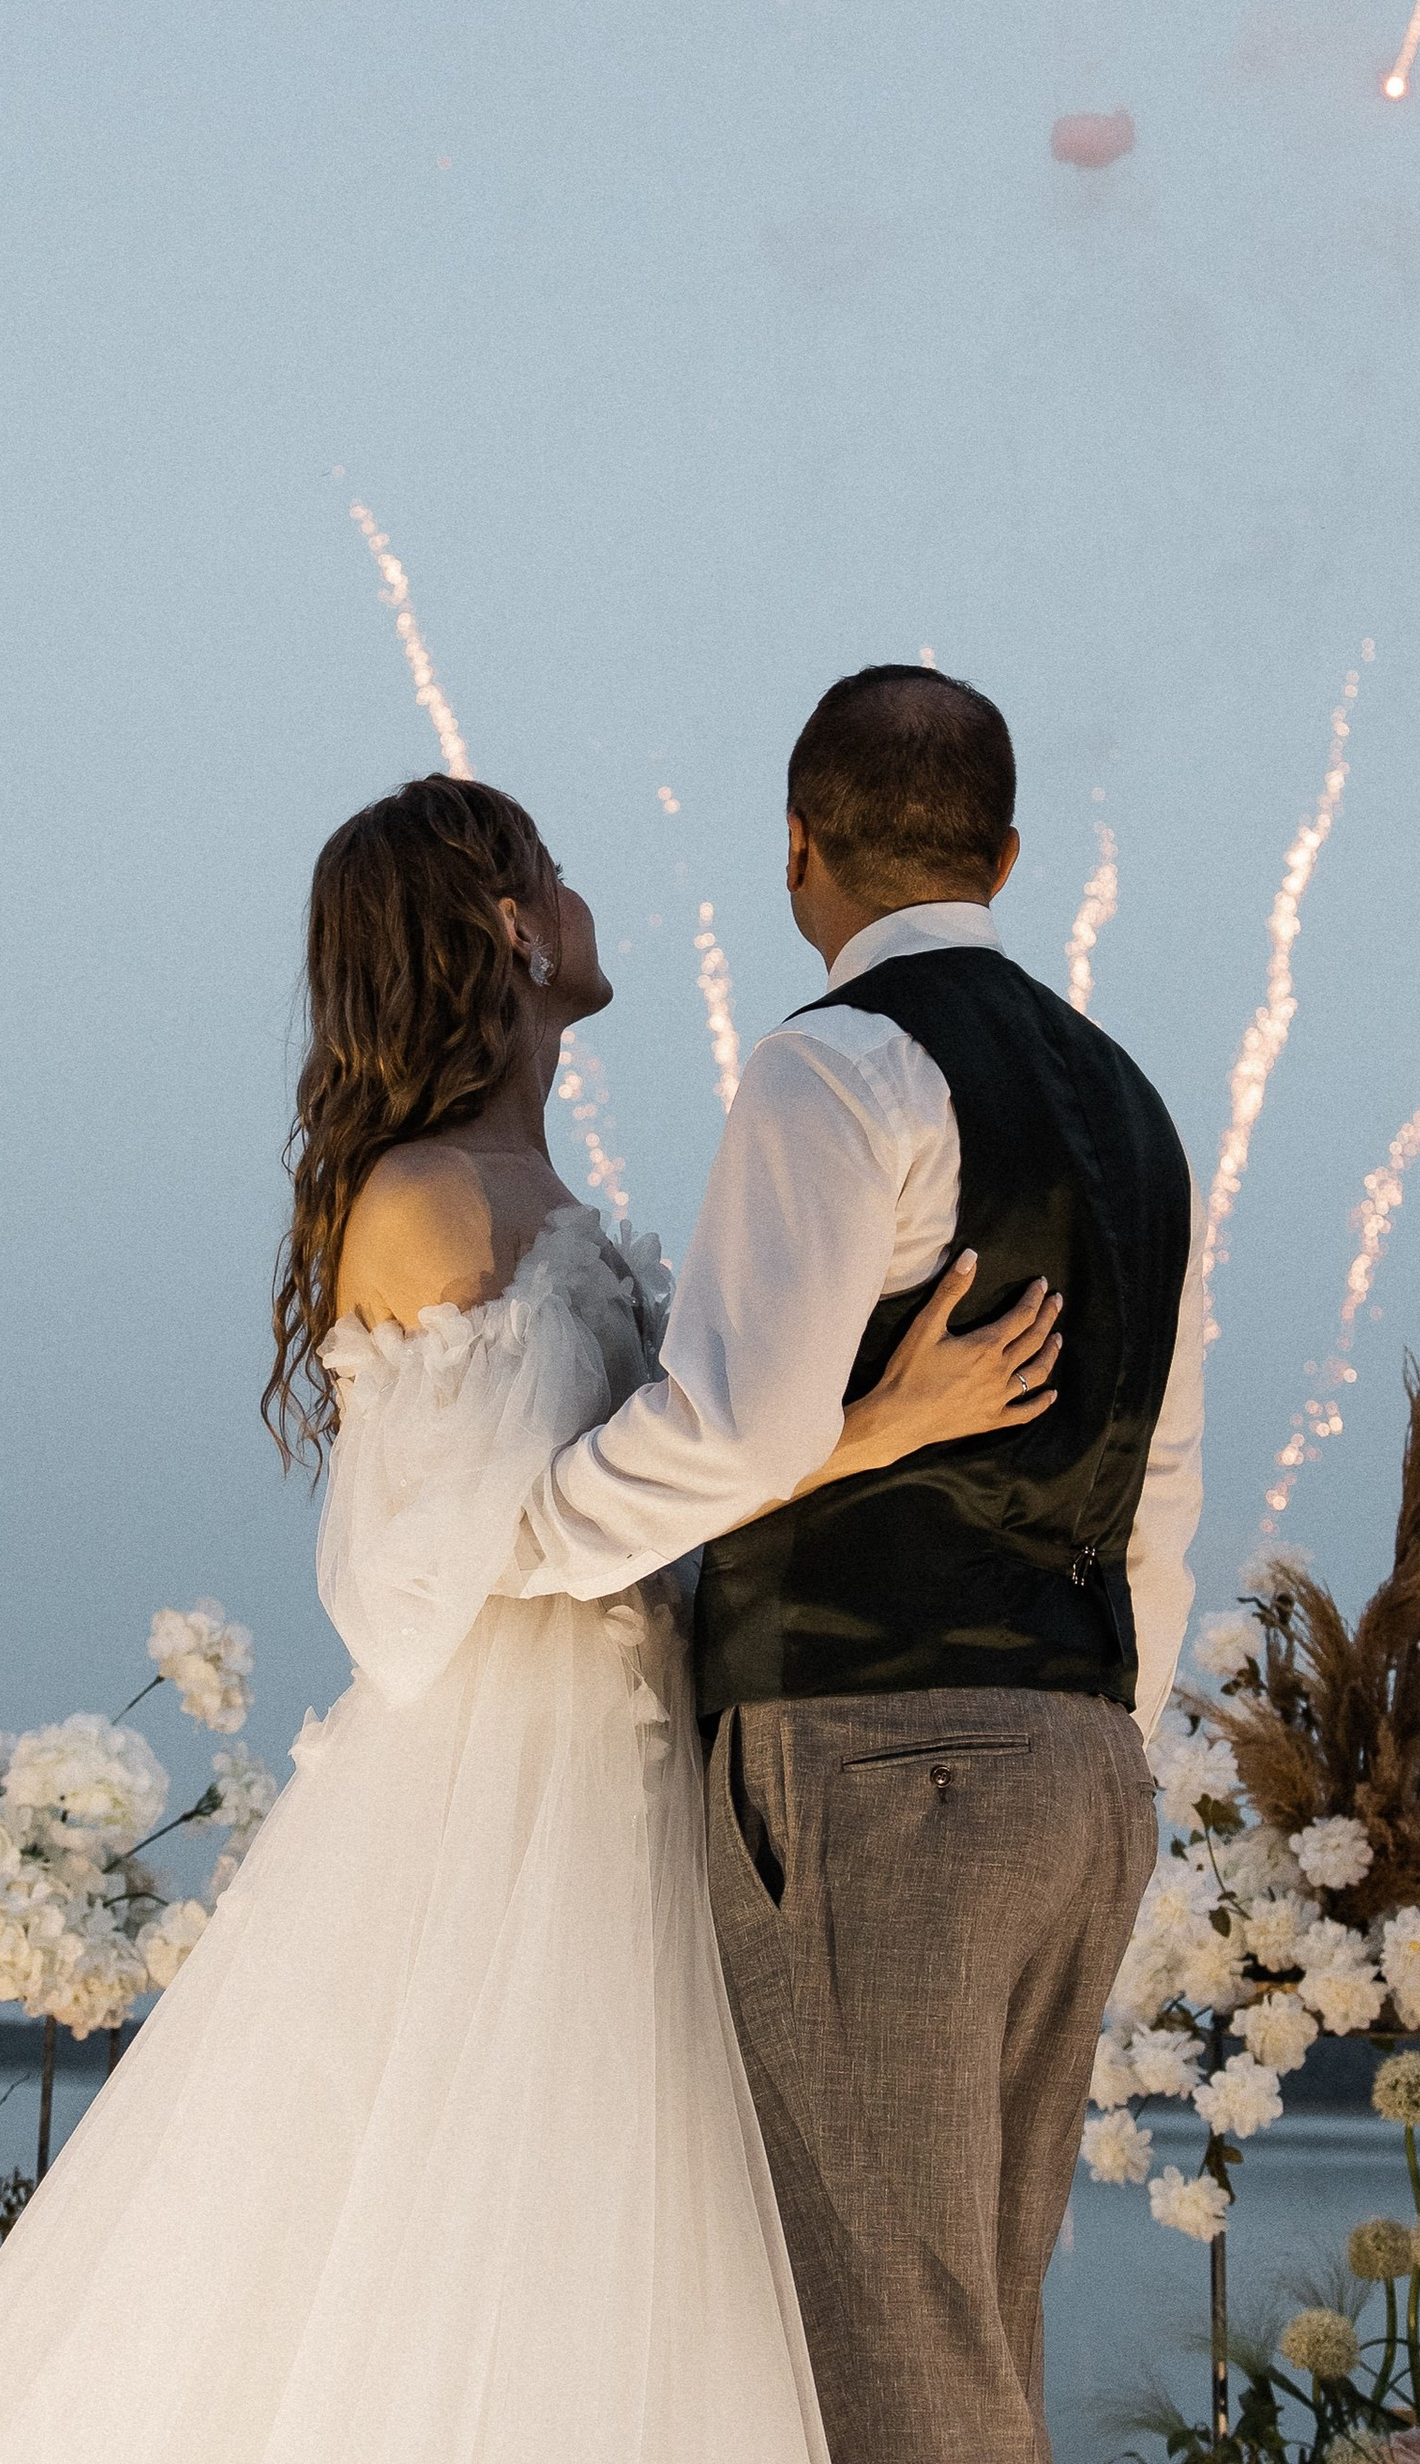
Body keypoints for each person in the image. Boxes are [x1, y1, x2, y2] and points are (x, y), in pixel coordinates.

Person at [0, 771, 1059, 2463]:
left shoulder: (532, 1185)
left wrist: (862, 1422)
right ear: (511, 928)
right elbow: (443, 1564)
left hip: (646, 1748)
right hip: (518, 1784)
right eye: (554, 876)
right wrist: (873, 1428)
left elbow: (656, 1488)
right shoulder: (430, 1199)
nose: (584, 903)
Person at [515, 665, 1203, 2464]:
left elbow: (738, 1430)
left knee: (888, 2353)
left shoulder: (838, 1066)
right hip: (1080, 1758)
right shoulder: (1138, 1111)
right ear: (1008, 851)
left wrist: (523, 1538)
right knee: (974, 2323)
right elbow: (1168, 1478)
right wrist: (1103, 1723)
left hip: (876, 1761)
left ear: (800, 848)